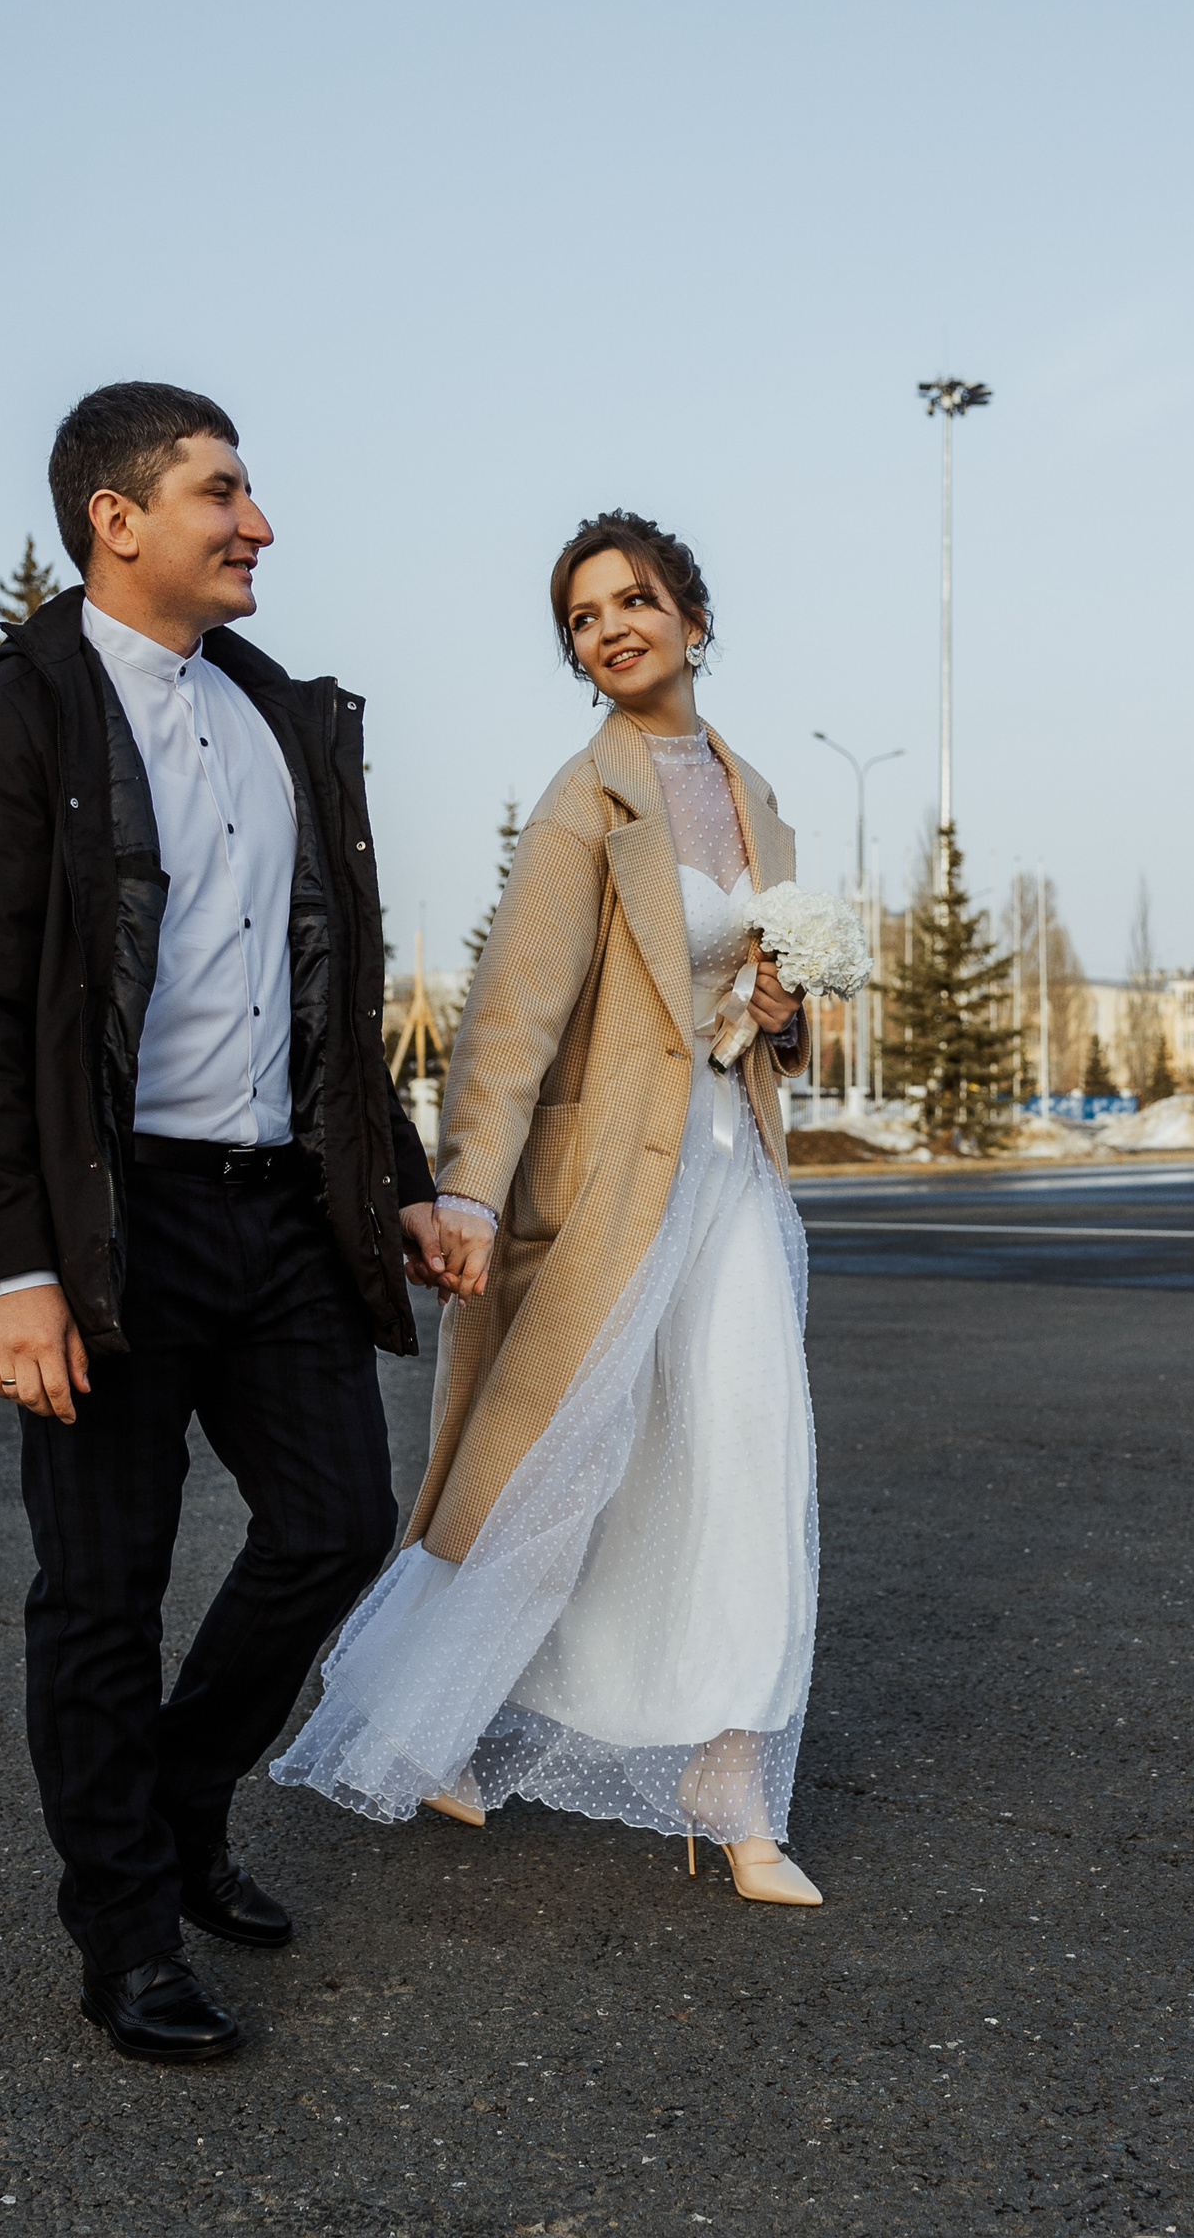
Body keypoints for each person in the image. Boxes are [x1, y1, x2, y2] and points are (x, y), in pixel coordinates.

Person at [0, 381, 445, 2068]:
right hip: (111, 1220)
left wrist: (401, 1181)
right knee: (102, 1592)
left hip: (279, 1208)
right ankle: (128, 1936)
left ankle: (182, 1792)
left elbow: (334, 992)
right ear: (116, 517)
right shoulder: (14, 720)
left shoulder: (278, 711)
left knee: (336, 1525)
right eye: (223, 492)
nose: (258, 523)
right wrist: (15, 1267)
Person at [274, 510, 823, 1906]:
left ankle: (731, 1778)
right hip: (610, 1187)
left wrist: (781, 1015)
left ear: (692, 617)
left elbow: (762, 1009)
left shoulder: (762, 796)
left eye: (633, 600)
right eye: (584, 618)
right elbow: (513, 1015)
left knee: (747, 1450)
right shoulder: (587, 801)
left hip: (733, 1178)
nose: (611, 629)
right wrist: (466, 1187)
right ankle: (433, 1724)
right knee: (555, 1468)